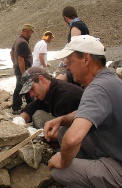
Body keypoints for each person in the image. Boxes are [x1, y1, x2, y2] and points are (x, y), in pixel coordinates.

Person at [44, 35, 122, 187]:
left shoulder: (96, 89)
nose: (67, 67)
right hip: (115, 150)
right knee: (64, 128)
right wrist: (61, 119)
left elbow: (72, 139)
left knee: (59, 171)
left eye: (70, 62)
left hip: (118, 165)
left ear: (86, 59)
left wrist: (62, 160)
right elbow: (85, 112)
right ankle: (90, 169)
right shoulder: (109, 79)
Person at [13, 67, 83, 141]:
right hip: (71, 128)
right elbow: (32, 107)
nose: (31, 95)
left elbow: (71, 135)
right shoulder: (49, 91)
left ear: (42, 79)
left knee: (38, 116)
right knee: (38, 114)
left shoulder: (66, 97)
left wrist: (37, 134)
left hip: (86, 137)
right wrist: (20, 119)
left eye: (32, 89)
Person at [56, 6, 89, 86]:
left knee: (57, 82)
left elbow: (74, 47)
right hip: (83, 61)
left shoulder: (75, 27)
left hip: (77, 63)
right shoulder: (82, 25)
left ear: (66, 18)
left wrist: (63, 64)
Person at [10, 23, 34, 115]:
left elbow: (11, 52)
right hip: (23, 69)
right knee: (20, 87)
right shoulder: (23, 42)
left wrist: (14, 62)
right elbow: (21, 58)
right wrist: (23, 72)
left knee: (27, 85)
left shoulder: (18, 40)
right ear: (27, 31)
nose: (31, 34)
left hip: (19, 67)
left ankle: (30, 104)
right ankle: (16, 107)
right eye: (31, 32)